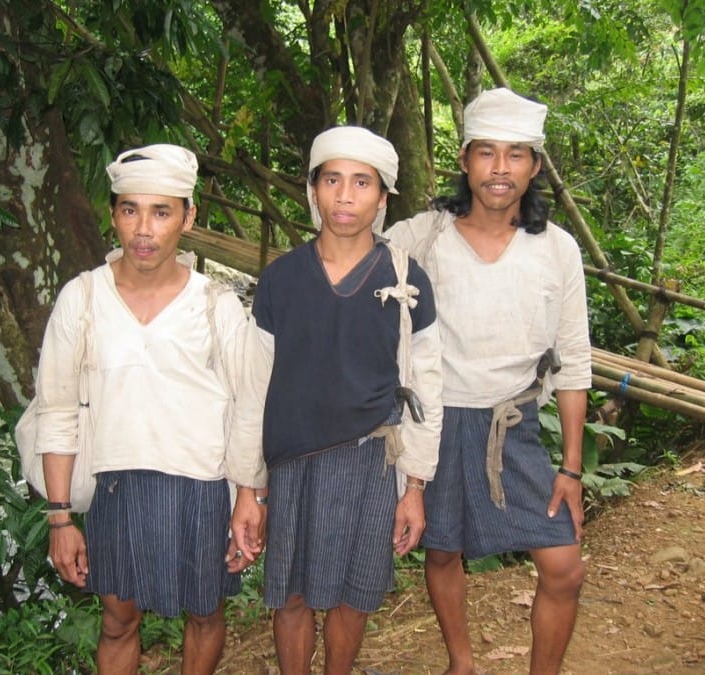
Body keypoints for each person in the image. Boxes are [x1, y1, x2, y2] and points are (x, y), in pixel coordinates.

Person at [36, 144, 267, 674]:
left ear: (188, 217)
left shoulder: (216, 305)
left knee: (206, 614)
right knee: (117, 620)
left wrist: (249, 495)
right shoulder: (83, 298)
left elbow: (249, 406)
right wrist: (60, 517)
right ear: (113, 214)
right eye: (130, 209)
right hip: (119, 487)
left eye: (161, 212)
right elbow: (57, 409)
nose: (144, 229)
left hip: (202, 485)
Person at [385, 88, 591, 675]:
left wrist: (571, 468)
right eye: (487, 152)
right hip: (439, 420)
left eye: (517, 154)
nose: (500, 169)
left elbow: (574, 360)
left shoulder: (556, 249)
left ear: (535, 164)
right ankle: (462, 663)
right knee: (443, 547)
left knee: (562, 566)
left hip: (514, 425)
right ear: (464, 158)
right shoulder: (422, 238)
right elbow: (355, 271)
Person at [237, 126, 443, 673]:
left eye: (361, 183)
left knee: (356, 594)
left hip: (371, 459)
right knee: (291, 592)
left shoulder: (407, 281)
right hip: (292, 461)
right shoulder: (280, 280)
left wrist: (414, 486)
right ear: (312, 189)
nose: (345, 196)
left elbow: (427, 387)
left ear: (383, 196)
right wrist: (248, 488)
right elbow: (253, 389)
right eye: (332, 180)